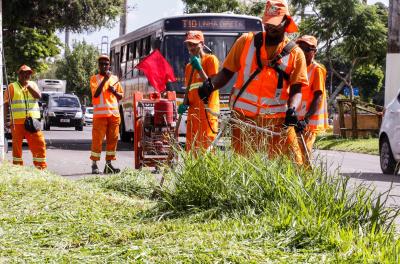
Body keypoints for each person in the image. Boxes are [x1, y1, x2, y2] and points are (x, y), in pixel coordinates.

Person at [198, 0, 308, 164]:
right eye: (268, 23)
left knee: (293, 166)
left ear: (286, 22)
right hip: (243, 119)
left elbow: (297, 89)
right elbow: (226, 73)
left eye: (275, 23)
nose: (270, 27)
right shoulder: (245, 42)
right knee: (243, 167)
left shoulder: (296, 54)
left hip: (277, 123)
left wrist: (292, 110)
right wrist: (211, 85)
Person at [177, 31, 220, 151]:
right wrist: (184, 104)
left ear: (202, 44)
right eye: (189, 45)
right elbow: (190, 91)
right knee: (192, 152)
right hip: (193, 115)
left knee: (206, 151)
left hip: (207, 114)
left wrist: (200, 69)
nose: (191, 47)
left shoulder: (211, 60)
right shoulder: (188, 67)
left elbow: (212, 86)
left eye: (194, 44)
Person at [3, 65, 47, 169]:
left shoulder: (33, 85)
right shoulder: (12, 87)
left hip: (33, 122)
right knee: (16, 147)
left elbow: (38, 96)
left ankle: (40, 168)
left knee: (39, 144)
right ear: (19, 74)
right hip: (17, 123)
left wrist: (29, 87)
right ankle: (18, 168)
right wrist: (5, 121)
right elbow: (6, 104)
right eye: (23, 73)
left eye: (28, 73)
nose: (26, 75)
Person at [295, 35, 329, 166]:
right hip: (297, 119)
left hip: (308, 122)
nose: (303, 52)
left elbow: (318, 96)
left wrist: (306, 120)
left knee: (304, 152)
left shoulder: (317, 69)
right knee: (294, 153)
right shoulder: (297, 67)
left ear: (314, 51)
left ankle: (306, 180)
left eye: (307, 49)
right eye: (300, 48)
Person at [89, 55, 124, 174]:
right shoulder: (95, 78)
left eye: (106, 64)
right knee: (97, 141)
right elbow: (96, 94)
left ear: (109, 65)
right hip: (100, 116)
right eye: (102, 64)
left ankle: (108, 165)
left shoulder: (115, 79)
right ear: (98, 66)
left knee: (113, 140)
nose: (104, 66)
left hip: (114, 115)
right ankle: (94, 165)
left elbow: (121, 96)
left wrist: (114, 91)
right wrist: (105, 80)